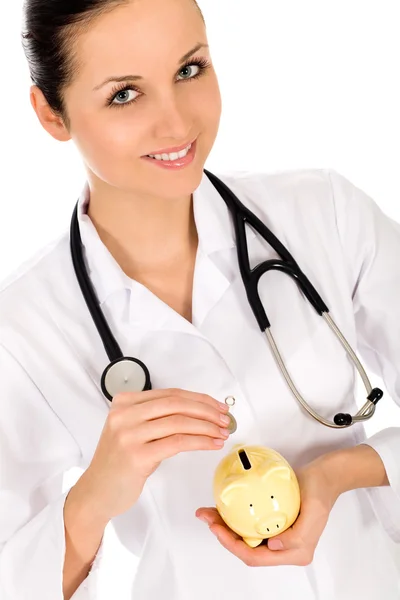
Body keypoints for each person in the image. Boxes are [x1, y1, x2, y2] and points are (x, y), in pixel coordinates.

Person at [0, 0, 399, 598]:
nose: (176, 122)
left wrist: (340, 472)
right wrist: (93, 497)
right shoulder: (25, 329)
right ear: (51, 114)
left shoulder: (327, 215)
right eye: (125, 95)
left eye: (189, 70)